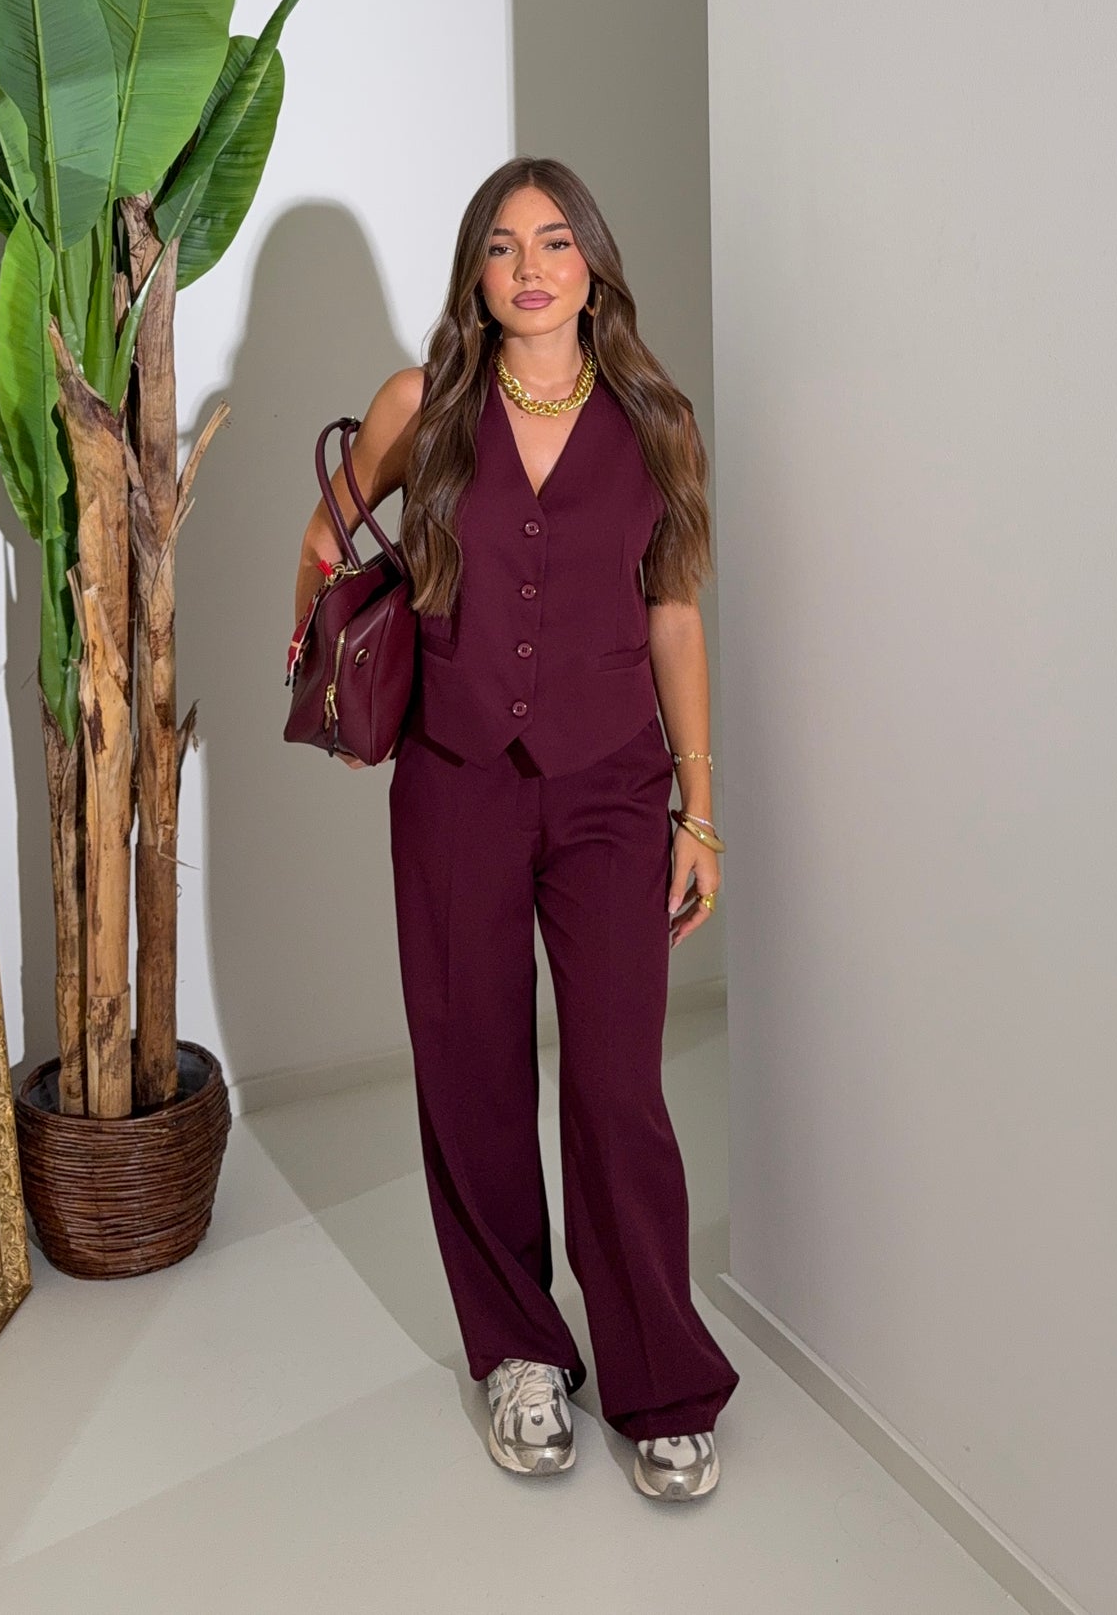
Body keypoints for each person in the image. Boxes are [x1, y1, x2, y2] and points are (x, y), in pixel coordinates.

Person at [292, 157, 737, 1500]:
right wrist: (340, 672)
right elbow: (325, 540)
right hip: (454, 786)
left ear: (592, 264)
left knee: (616, 1086)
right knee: (472, 1072)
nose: (530, 268)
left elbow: (673, 613)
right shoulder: (421, 405)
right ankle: (521, 1354)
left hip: (613, 792)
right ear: (475, 276)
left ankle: (659, 1379)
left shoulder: (655, 419)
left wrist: (700, 811)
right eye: (501, 246)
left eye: (553, 242)